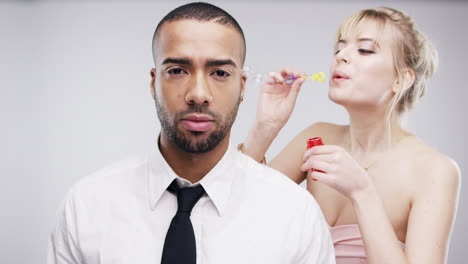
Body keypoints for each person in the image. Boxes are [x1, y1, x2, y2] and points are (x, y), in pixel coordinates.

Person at [47, 2, 335, 264]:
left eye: (220, 73)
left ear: (243, 86)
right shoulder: (86, 206)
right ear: (153, 82)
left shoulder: (295, 214)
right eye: (177, 70)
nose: (198, 94)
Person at [240, 7, 460, 264]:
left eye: (364, 50)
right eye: (339, 49)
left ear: (401, 79)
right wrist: (265, 127)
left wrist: (362, 192)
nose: (341, 56)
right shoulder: (316, 137)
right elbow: (235, 212)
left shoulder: (435, 170)